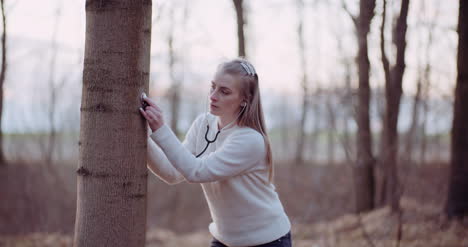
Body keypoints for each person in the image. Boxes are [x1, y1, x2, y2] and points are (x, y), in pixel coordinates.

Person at [139, 58, 292, 247]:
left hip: (267, 241)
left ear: (245, 99)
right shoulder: (203, 124)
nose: (213, 96)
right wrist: (142, 139)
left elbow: (197, 172)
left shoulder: (250, 140)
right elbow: (171, 173)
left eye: (224, 91)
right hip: (224, 240)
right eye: (213, 87)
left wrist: (160, 129)